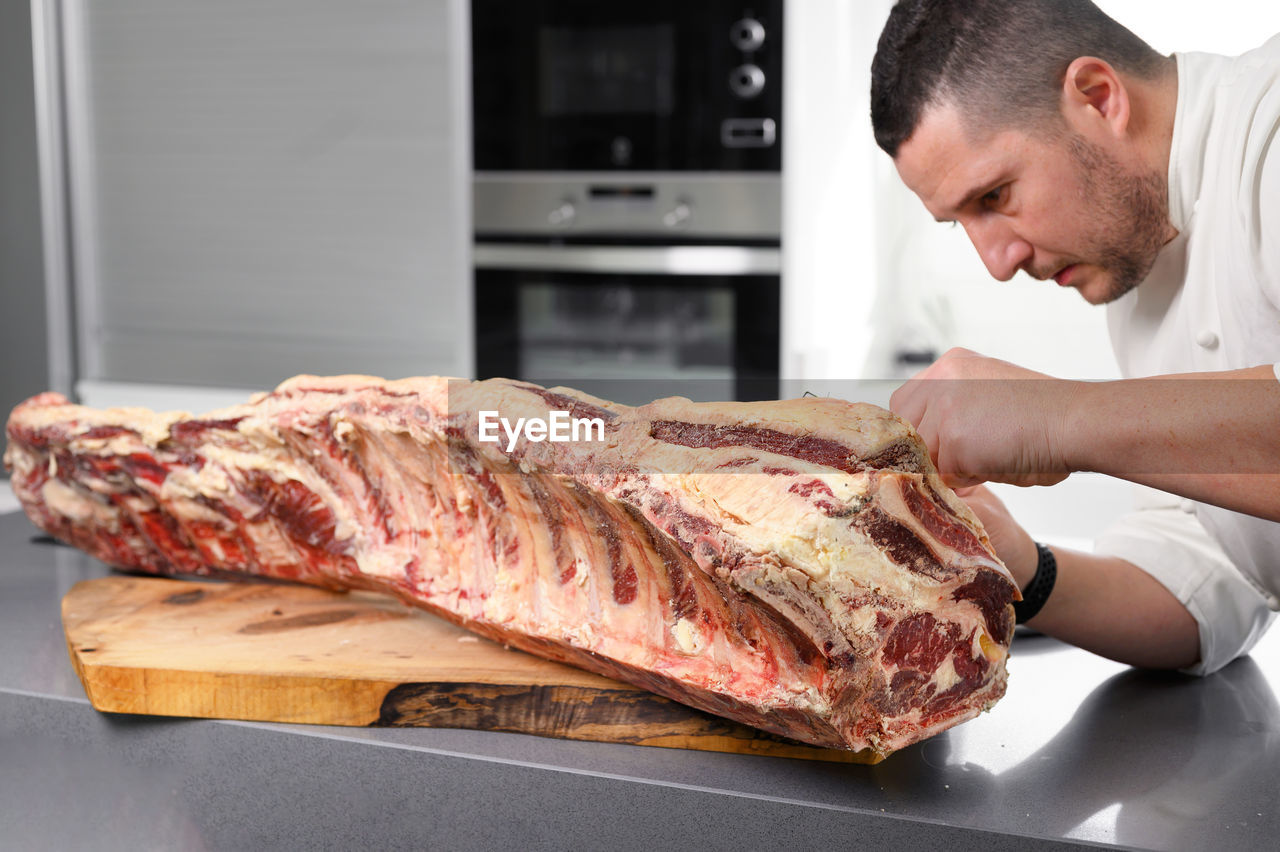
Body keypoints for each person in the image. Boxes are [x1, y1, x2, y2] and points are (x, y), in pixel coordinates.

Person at [870, 0, 1280, 673]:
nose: (996, 263)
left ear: (1099, 97)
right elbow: (1218, 577)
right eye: (958, 223)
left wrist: (1060, 417)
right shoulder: (1143, 259)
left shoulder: (1271, 129)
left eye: (994, 196)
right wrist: (1021, 568)